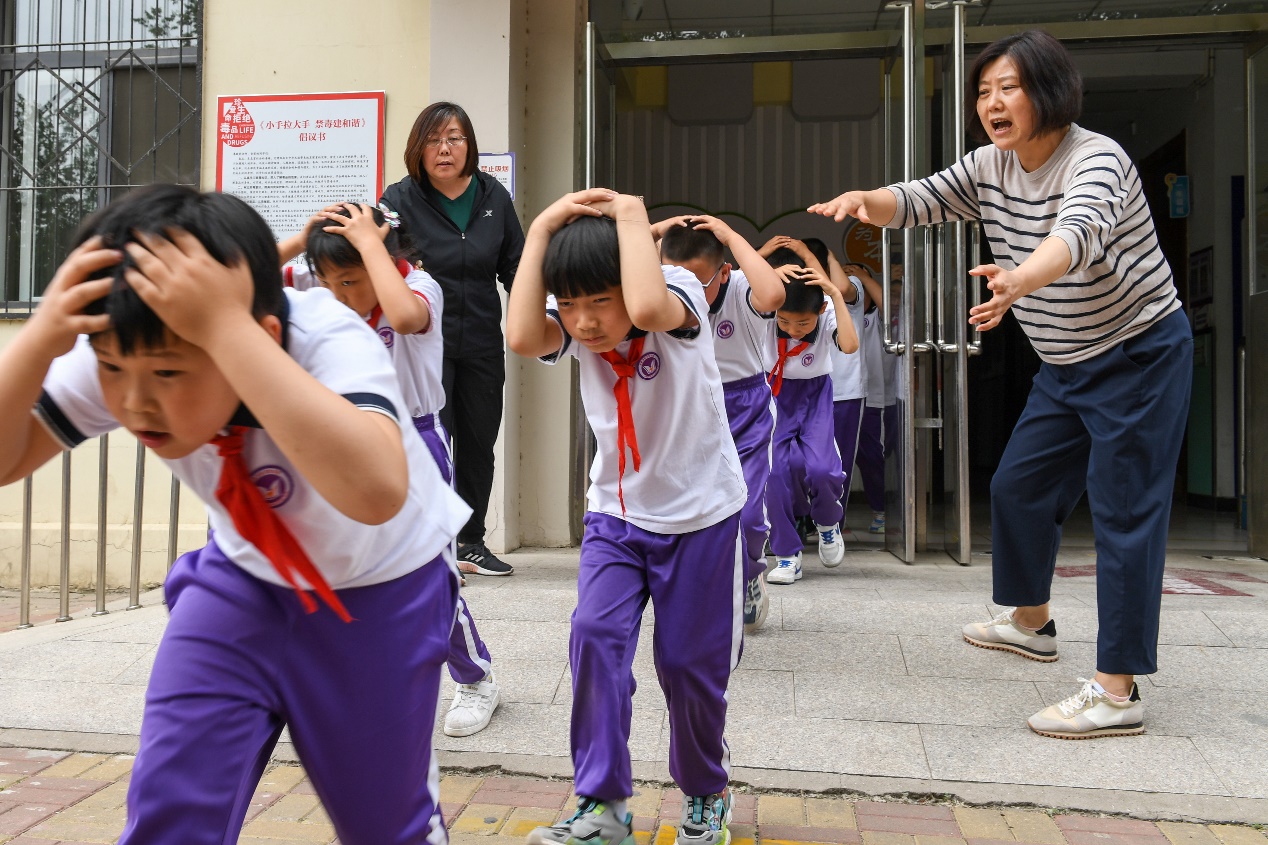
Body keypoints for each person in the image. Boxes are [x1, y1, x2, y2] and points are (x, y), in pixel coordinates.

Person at [0, 184, 470, 843]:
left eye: (168, 374)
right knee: (171, 806)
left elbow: (376, 492)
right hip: (243, 580)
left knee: (387, 825)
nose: (135, 403)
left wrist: (226, 333)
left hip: (381, 590)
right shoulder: (134, 344)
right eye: (111, 369)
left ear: (261, 335)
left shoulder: (323, 334)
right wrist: (42, 335)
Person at [809, 29, 1193, 739]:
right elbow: (923, 199)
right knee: (1018, 486)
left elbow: (1075, 235)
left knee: (1125, 511)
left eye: (1007, 87)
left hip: (1138, 355)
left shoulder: (1097, 158)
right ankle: (1032, 622)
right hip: (1065, 362)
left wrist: (1020, 278)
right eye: (984, 91)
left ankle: (1118, 690)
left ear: (1049, 89)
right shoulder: (991, 164)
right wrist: (869, 199)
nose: (992, 103)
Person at [507, 189, 746, 845]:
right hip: (616, 514)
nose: (584, 322)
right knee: (594, 637)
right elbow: (522, 335)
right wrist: (542, 229)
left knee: (688, 664)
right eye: (569, 303)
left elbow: (642, 307)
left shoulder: (677, 292)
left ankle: (706, 790)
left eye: (596, 301)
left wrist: (631, 214)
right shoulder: (577, 321)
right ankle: (603, 804)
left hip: (701, 515)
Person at [278, 202, 501, 737]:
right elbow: (238, 278)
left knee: (432, 578)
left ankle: (475, 677)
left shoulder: (419, 285)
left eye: (349, 282)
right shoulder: (325, 285)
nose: (337, 295)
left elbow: (403, 318)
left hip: (413, 443)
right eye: (327, 282)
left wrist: (370, 246)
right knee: (341, 571)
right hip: (342, 443)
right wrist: (304, 237)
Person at [380, 101, 525, 577]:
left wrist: (545, 317)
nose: (444, 149)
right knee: (432, 439)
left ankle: (472, 541)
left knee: (479, 442)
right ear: (417, 148)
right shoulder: (398, 200)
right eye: (434, 139)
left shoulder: (493, 195)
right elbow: (384, 268)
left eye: (454, 138)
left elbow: (516, 268)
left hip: (482, 339)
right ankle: (430, 543)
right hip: (425, 344)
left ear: (469, 145)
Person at [654, 214, 785, 633]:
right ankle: (702, 594)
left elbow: (774, 294)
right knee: (691, 515)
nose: (685, 289)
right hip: (687, 408)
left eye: (699, 281)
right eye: (674, 278)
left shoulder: (741, 288)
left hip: (745, 408)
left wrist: (728, 234)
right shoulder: (660, 294)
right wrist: (652, 232)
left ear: (724, 272)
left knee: (747, 514)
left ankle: (750, 573)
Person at [762, 249, 859, 586]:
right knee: (775, 473)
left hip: (815, 395)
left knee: (821, 469)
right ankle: (787, 554)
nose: (793, 330)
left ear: (819, 311)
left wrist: (835, 294)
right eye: (785, 322)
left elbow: (850, 346)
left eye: (803, 323)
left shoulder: (827, 309)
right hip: (774, 395)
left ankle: (828, 522)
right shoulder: (764, 310)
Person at [847, 263, 899, 535]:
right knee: (839, 459)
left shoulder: (878, 314)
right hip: (842, 397)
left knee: (873, 458)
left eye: (859, 285)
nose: (853, 290)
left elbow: (887, 306)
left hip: (875, 400)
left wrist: (865, 276)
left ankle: (882, 510)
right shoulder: (835, 311)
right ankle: (830, 519)